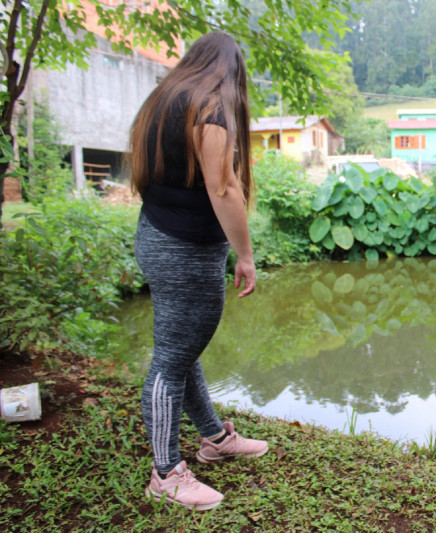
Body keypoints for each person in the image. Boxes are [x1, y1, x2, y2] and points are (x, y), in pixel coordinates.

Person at [129, 32, 267, 511]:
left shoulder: (162, 101)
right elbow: (223, 187)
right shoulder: (210, 109)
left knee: (182, 349)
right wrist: (245, 255)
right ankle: (166, 473)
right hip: (183, 251)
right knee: (171, 360)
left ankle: (214, 438)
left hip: (155, 235)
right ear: (231, 72)